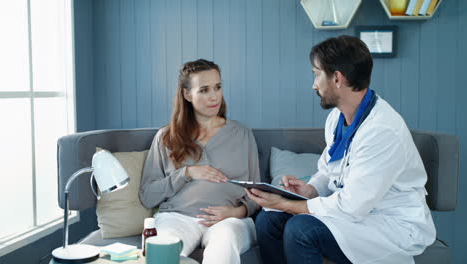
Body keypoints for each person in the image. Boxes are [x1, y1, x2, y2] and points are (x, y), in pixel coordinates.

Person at [246, 36, 436, 264]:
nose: (314, 85)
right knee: (268, 221)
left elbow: (352, 206)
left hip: (391, 224)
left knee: (302, 230)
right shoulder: (336, 118)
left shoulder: (381, 130)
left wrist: (286, 204)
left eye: (317, 74)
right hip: (356, 214)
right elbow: (328, 171)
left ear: (337, 78)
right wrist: (309, 190)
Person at [139, 59, 260, 264]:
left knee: (223, 244)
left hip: (229, 220)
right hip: (177, 217)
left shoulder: (242, 134)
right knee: (163, 251)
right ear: (187, 94)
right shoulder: (166, 137)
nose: (214, 96)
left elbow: (257, 193)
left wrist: (235, 212)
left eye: (217, 87)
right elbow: (148, 195)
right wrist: (186, 173)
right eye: (204, 90)